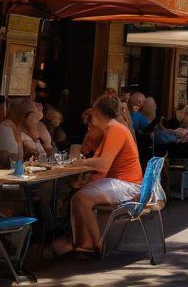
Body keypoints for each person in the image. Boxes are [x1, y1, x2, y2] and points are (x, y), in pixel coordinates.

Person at [55, 94, 161, 258]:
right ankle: (85, 245)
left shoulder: (115, 130)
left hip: (129, 185)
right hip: (122, 182)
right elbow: (103, 166)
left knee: (81, 199)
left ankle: (95, 245)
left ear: (97, 113)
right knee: (78, 198)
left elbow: (104, 163)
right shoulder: (112, 130)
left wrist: (78, 163)